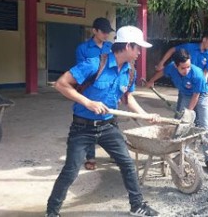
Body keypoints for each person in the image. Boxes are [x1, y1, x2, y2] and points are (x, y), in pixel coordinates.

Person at [46, 26, 159, 217]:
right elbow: (61, 84)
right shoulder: (94, 64)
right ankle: (52, 211)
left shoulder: (129, 71)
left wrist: (145, 115)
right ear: (128, 46)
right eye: (138, 48)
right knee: (71, 170)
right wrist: (88, 102)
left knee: (127, 164)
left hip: (108, 126)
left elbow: (127, 98)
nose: (140, 52)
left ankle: (137, 205)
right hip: (82, 127)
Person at [146, 49, 208, 173]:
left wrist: (188, 114)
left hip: (201, 96)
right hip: (185, 95)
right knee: (180, 124)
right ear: (175, 65)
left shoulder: (197, 74)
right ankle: (184, 153)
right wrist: (152, 81)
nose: (186, 70)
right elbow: (162, 72)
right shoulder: (171, 68)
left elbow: (196, 96)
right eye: (183, 68)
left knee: (205, 125)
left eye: (188, 67)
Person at [75, 17, 114, 171]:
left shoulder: (111, 47)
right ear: (94, 31)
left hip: (109, 93)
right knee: (91, 124)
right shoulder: (83, 49)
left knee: (111, 123)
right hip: (90, 91)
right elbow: (81, 72)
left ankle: (114, 153)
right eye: (103, 32)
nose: (106, 35)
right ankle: (90, 157)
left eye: (108, 32)